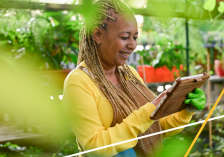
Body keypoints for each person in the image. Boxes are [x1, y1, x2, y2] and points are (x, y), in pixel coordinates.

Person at [62, 0, 206, 157]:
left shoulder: (129, 73)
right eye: (125, 37)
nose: (132, 45)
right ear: (98, 35)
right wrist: (150, 110)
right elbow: (96, 147)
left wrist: (185, 110)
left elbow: (155, 127)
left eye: (135, 37)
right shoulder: (79, 81)